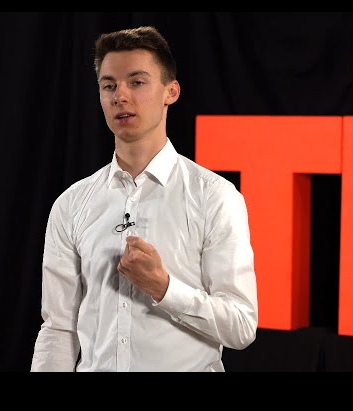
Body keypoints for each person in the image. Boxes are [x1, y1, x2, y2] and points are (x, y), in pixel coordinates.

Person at [30, 25, 258, 372]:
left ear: (171, 91)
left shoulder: (214, 196)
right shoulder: (71, 204)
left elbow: (241, 326)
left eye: (136, 82)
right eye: (109, 85)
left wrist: (164, 288)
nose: (120, 96)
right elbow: (58, 329)